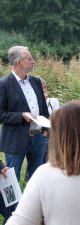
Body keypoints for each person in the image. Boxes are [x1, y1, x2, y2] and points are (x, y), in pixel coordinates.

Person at [0, 46, 49, 182]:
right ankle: (14, 204)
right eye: (29, 59)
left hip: (39, 138)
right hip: (15, 139)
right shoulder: (3, 84)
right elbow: (1, 114)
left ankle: (35, 203)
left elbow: (44, 110)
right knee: (12, 179)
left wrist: (45, 131)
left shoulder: (36, 81)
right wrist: (21, 116)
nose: (33, 62)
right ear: (18, 63)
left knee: (37, 178)